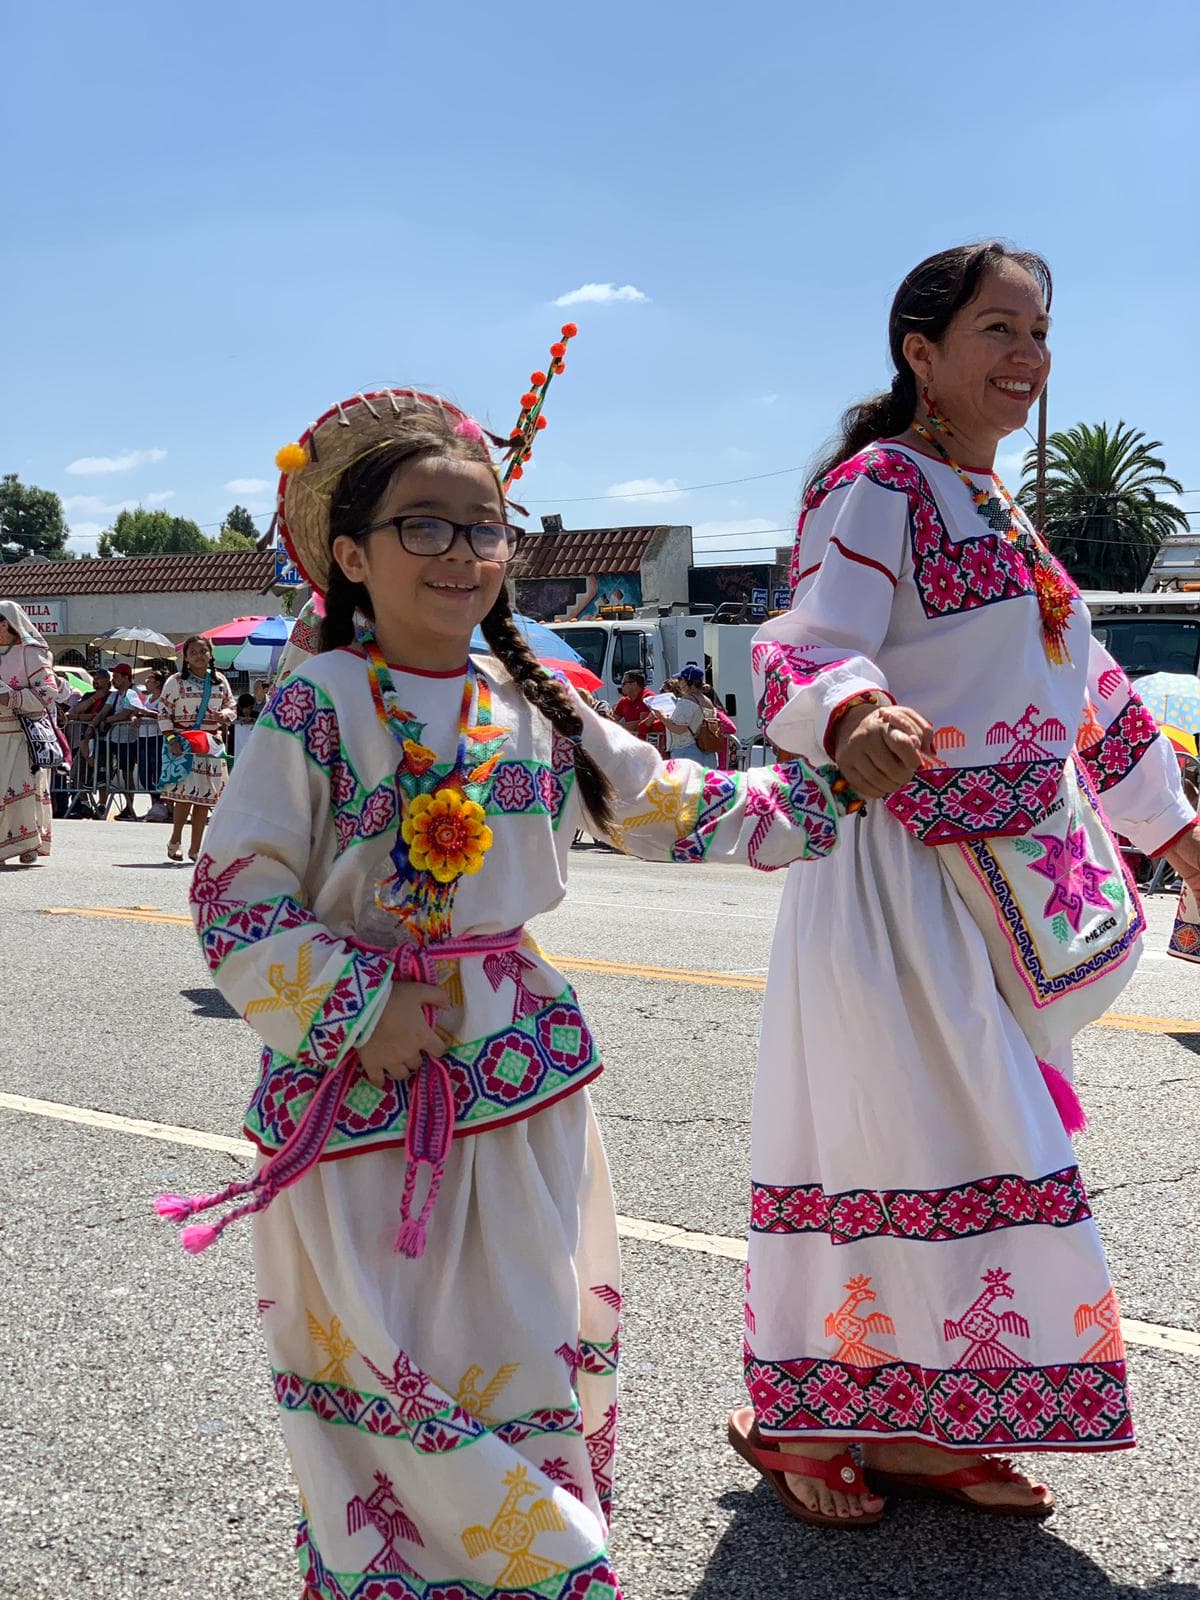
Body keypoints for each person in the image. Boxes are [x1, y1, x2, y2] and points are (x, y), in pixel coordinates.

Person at [155, 386, 855, 1600]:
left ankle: (535, 1568)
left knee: (523, 1354)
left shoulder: (535, 700)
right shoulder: (317, 705)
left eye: (484, 528)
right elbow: (234, 893)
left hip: (522, 1095)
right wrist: (360, 1001)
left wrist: (827, 790)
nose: (462, 553)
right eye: (423, 526)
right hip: (367, 1103)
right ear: (350, 556)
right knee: (391, 1371)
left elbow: (662, 803)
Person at [733, 241, 1200, 1526]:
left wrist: (1175, 831)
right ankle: (813, 1418)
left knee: (972, 1147)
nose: (1030, 358)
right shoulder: (880, 485)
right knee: (886, 1139)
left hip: (1008, 887)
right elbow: (802, 650)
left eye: (1041, 333)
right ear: (920, 352)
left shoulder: (1004, 512)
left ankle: (928, 1429)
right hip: (896, 880)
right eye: (999, 329)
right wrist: (851, 716)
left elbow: (1090, 697)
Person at [158, 636, 236, 862]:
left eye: (203, 651)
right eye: (194, 652)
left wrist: (224, 716)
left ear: (210, 654)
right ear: (186, 657)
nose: (199, 656)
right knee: (184, 796)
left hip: (211, 746)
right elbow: (164, 712)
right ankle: (175, 840)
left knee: (204, 798)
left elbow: (232, 705)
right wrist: (171, 739)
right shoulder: (175, 681)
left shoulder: (220, 681)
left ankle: (195, 848)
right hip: (184, 744)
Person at [0, 600, 59, 864]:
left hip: (21, 734)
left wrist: (11, 698)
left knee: (20, 788)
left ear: (6, 623)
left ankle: (27, 844)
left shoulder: (31, 652)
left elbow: (47, 692)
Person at [97, 662, 144, 820]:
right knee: (108, 770)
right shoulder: (114, 695)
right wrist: (94, 724)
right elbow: (104, 711)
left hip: (128, 740)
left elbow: (126, 713)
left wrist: (108, 720)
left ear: (125, 677)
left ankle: (129, 806)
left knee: (127, 773)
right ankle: (105, 803)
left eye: (116, 677)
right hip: (113, 739)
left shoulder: (132, 693)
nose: (114, 680)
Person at [64, 666, 111, 817]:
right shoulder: (89, 695)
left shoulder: (112, 697)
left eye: (99, 678)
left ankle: (102, 805)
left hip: (103, 741)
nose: (95, 680)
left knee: (101, 774)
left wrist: (82, 717)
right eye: (94, 678)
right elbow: (77, 710)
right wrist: (94, 698)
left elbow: (100, 716)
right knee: (77, 773)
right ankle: (84, 804)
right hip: (85, 739)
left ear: (107, 680)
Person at [661, 664, 715, 767]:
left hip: (686, 753)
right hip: (708, 752)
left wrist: (662, 717)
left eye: (681, 679)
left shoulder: (687, 701)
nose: (679, 682)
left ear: (687, 682)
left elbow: (679, 729)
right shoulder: (707, 701)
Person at [134, 670, 170, 821]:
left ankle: (161, 804)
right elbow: (140, 711)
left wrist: (147, 713)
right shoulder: (148, 698)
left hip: (157, 737)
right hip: (143, 736)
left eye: (149, 680)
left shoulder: (162, 698)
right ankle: (154, 803)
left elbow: (162, 715)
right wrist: (136, 716)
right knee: (144, 772)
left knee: (156, 769)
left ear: (157, 683)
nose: (147, 683)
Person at [613, 670, 660, 740]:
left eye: (623, 683)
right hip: (630, 740)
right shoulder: (624, 700)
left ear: (634, 684)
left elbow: (642, 723)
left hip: (648, 742)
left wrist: (618, 727)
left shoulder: (649, 698)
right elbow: (612, 719)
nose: (621, 686)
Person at [229, 692, 259, 761]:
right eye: (245, 707)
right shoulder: (234, 715)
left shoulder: (256, 714)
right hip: (235, 749)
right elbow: (229, 721)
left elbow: (261, 721)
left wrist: (252, 720)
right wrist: (240, 720)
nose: (248, 710)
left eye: (250, 707)